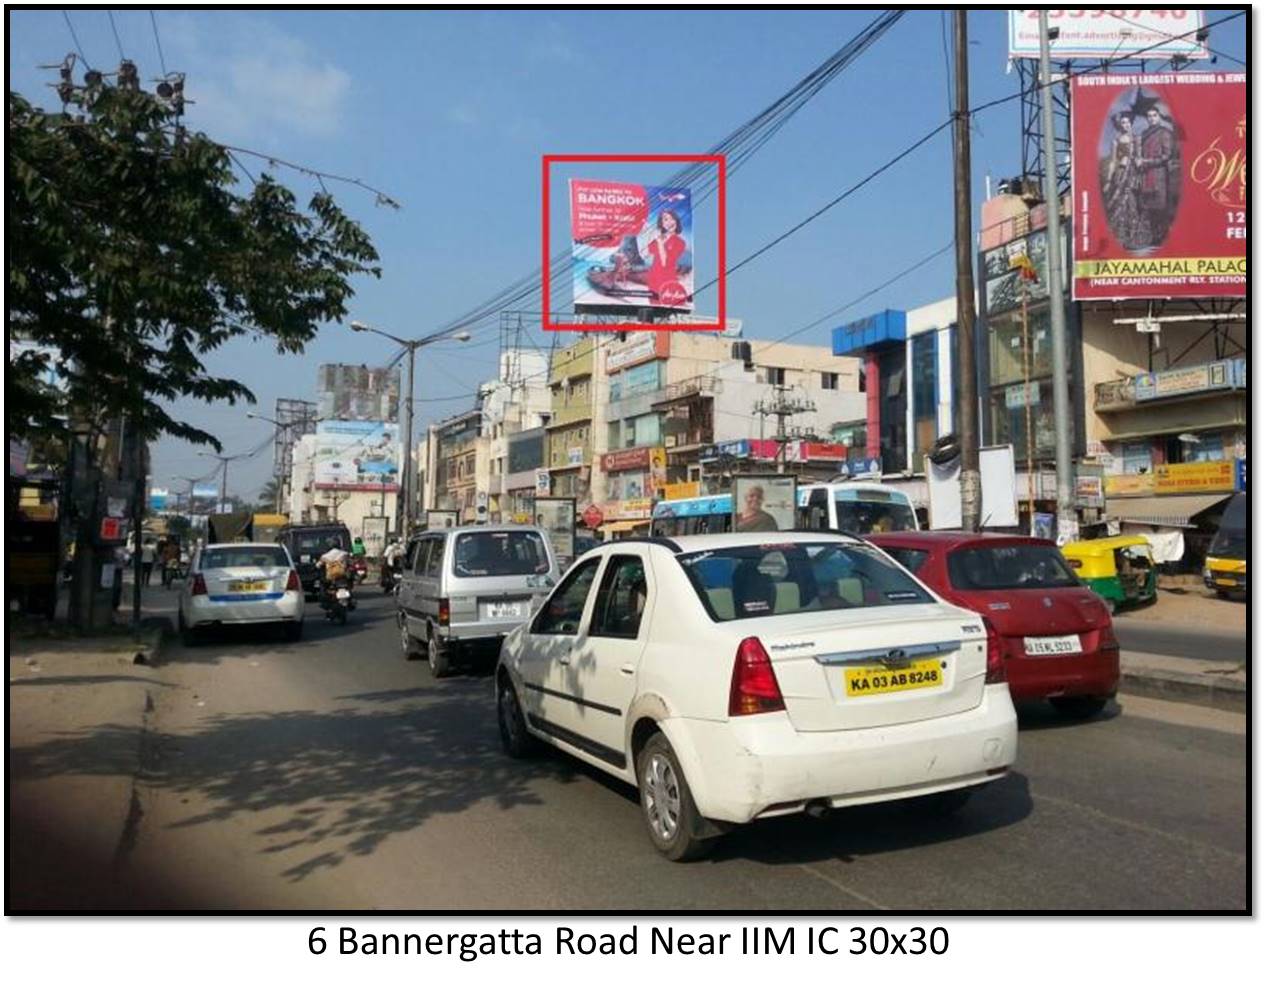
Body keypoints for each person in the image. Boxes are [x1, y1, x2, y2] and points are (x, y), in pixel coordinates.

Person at [1101, 111, 1148, 250]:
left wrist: (1139, 166)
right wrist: (1109, 180)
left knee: (1133, 203)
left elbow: (1140, 157)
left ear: (1131, 123)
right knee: (1120, 204)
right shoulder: (1115, 141)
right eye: (1123, 123)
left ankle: (1134, 237)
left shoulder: (1137, 139)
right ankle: (1121, 238)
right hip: (1120, 174)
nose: (1125, 125)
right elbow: (1113, 161)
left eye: (1127, 122)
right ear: (1119, 125)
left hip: (1133, 174)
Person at [1136, 96, 1178, 247]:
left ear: (1159, 117)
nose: (1152, 118)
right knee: (1150, 210)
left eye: (1154, 115)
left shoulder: (1164, 133)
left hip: (1160, 176)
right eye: (1149, 116)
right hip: (1147, 177)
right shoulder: (1145, 133)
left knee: (1161, 210)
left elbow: (1167, 156)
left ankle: (1165, 239)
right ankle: (1155, 238)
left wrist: (1146, 162)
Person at [645, 208, 686, 303]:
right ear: (662, 224)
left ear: (676, 221)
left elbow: (665, 263)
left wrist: (660, 243)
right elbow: (646, 254)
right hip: (653, 279)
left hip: (667, 280)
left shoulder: (679, 242)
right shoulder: (658, 239)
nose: (669, 222)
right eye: (666, 219)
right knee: (653, 304)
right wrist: (650, 234)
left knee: (665, 306)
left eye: (672, 219)